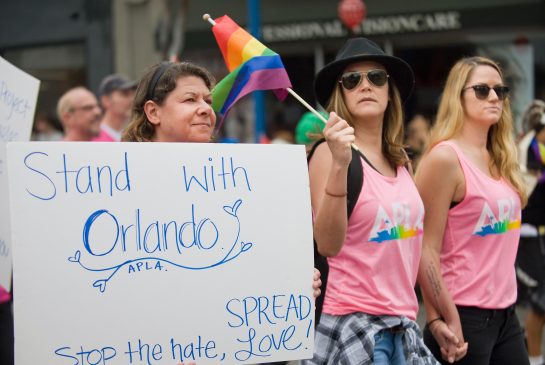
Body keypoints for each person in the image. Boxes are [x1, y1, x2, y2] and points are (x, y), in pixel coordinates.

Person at [123, 61, 322, 365]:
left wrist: (291, 283)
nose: (205, 108)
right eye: (190, 100)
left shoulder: (239, 182)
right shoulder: (120, 188)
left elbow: (249, 259)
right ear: (153, 112)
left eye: (207, 100)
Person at [305, 37, 438, 365]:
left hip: (404, 326)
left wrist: (437, 318)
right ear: (342, 94)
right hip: (354, 324)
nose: (365, 85)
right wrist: (339, 163)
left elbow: (415, 247)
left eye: (376, 77)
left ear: (390, 91)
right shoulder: (327, 153)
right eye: (353, 80)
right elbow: (327, 244)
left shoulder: (401, 161)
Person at [416, 56, 529, 365]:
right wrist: (442, 318)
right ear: (458, 96)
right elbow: (425, 249)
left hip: (507, 314)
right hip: (464, 316)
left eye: (500, 91)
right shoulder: (445, 159)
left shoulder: (502, 156)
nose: (494, 97)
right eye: (481, 90)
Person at [515, 100, 545, 365]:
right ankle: (534, 359)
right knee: (540, 302)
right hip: (526, 235)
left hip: (539, 235)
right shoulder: (526, 152)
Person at [92, 74, 137, 142]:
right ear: (106, 100)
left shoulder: (131, 137)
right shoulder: (93, 138)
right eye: (125, 94)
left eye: (132, 95)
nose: (132, 100)